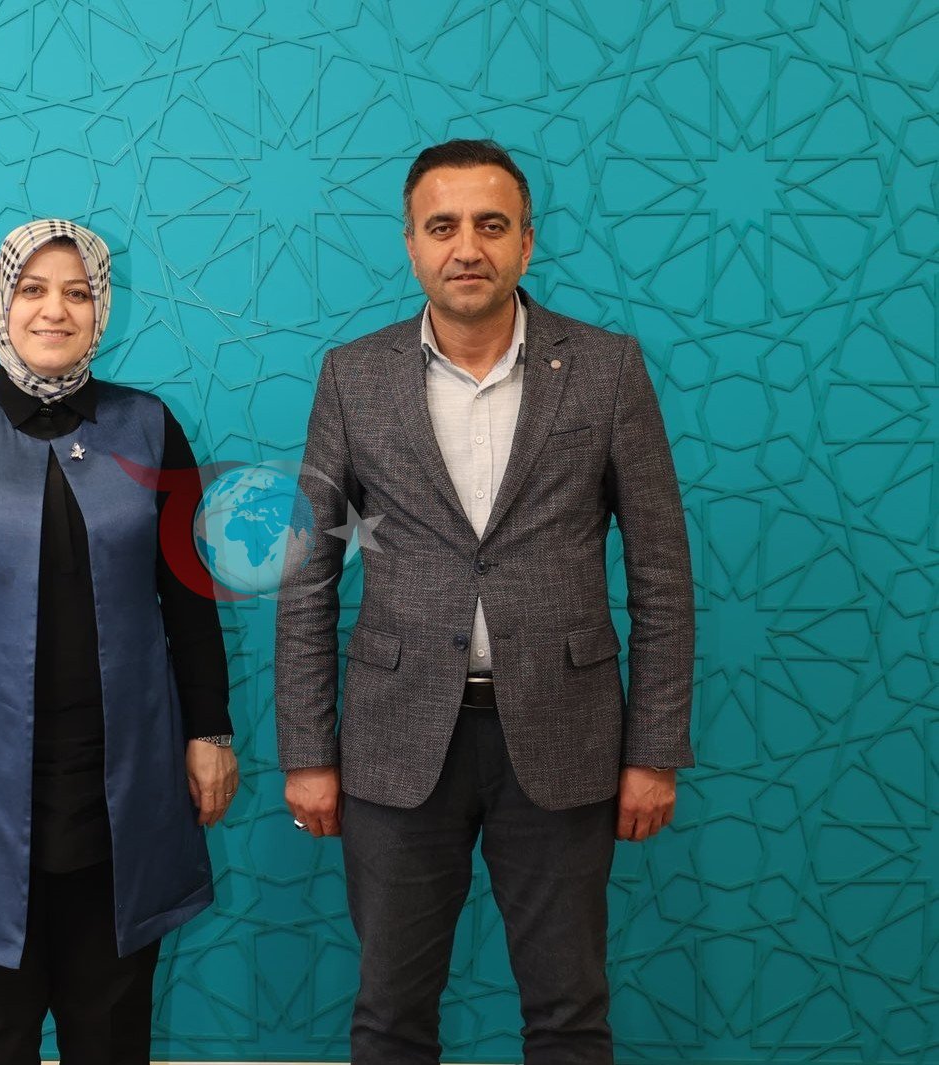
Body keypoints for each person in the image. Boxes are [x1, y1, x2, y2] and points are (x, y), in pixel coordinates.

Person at [275, 139, 694, 1064]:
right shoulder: (352, 376)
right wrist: (307, 750)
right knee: (390, 1015)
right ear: (411, 245)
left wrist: (654, 750)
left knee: (569, 1013)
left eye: (491, 225)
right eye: (443, 226)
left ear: (526, 243)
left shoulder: (608, 369)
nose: (467, 246)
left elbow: (662, 573)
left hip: (566, 736)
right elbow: (309, 577)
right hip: (394, 743)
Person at [0, 218, 238, 1065]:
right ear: (2, 302)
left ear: (102, 308)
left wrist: (210, 729)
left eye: (77, 292)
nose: (54, 310)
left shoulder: (149, 426)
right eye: (33, 289)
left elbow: (189, 598)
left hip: (119, 793)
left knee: (111, 1038)